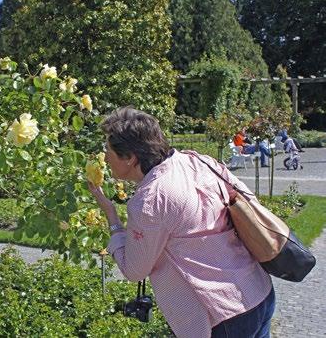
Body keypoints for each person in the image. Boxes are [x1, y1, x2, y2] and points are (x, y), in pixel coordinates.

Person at [88, 107, 274, 338]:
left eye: (108, 150)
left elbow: (134, 270)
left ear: (130, 158)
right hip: (259, 292)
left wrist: (112, 218)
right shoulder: (197, 161)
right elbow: (249, 202)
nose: (105, 157)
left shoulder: (150, 200)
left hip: (223, 317)